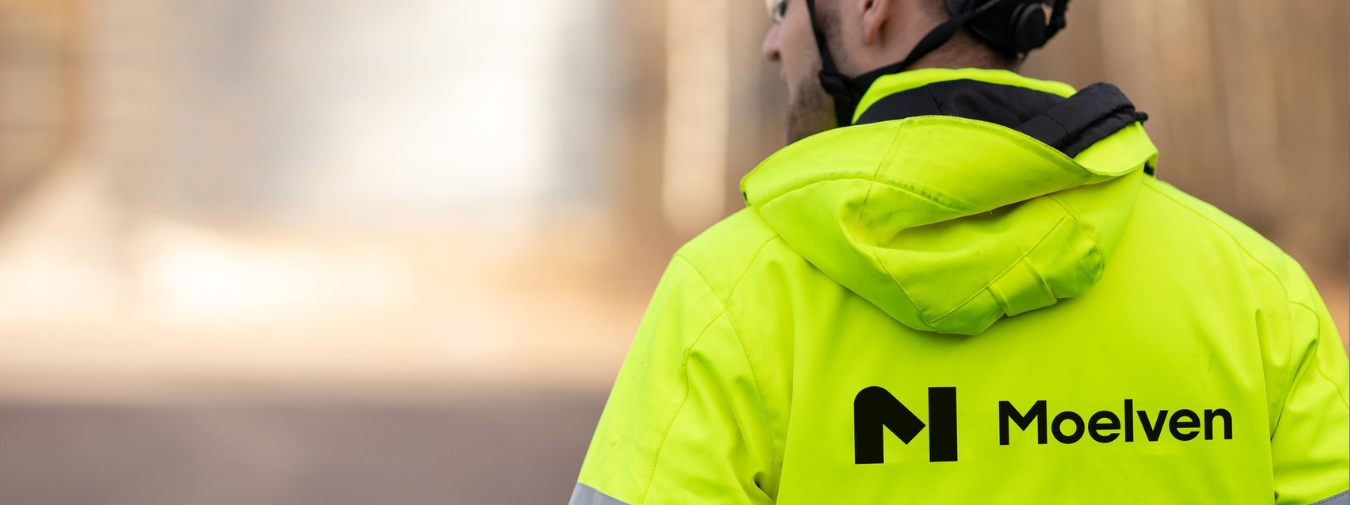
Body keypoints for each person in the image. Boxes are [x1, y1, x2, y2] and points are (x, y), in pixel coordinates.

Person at [571, 0, 1350, 503]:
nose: (775, 42)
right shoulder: (1255, 292)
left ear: (873, 8)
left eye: (783, 6)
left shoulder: (730, 293)